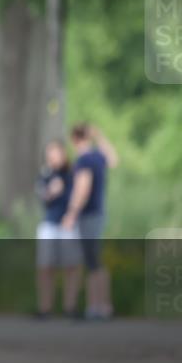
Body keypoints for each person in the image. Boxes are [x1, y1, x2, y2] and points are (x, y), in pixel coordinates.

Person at [61, 123, 119, 320]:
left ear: (74, 139)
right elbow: (114, 160)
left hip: (88, 215)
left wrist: (71, 214)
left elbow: (82, 189)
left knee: (92, 262)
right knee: (95, 261)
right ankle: (102, 306)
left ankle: (97, 307)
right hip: (98, 214)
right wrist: (99, 137)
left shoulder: (84, 160)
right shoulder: (97, 157)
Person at [34, 141, 82, 319]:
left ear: (63, 154)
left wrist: (72, 214)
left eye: (55, 153)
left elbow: (80, 194)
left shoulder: (73, 173)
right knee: (46, 267)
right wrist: (52, 191)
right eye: (49, 154)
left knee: (71, 266)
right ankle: (45, 308)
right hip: (50, 224)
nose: (52, 157)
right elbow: (41, 197)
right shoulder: (45, 174)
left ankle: (70, 307)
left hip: (69, 224)